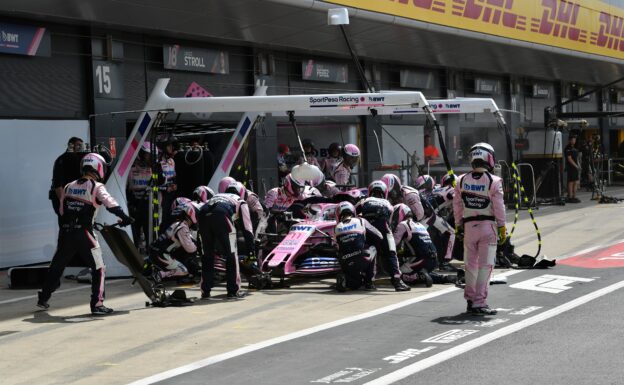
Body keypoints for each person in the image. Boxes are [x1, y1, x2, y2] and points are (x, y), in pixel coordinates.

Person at [37, 153, 134, 315]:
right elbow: (110, 203)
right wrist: (124, 217)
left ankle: (43, 298)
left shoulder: (68, 186)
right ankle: (97, 305)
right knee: (99, 268)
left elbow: (61, 211)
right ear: (99, 167)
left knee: (57, 266)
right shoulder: (96, 186)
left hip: (66, 232)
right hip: (84, 233)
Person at [453, 142, 506, 315]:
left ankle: (470, 299)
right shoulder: (495, 181)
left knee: (470, 265)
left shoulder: (460, 180)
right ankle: (479, 302)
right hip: (488, 228)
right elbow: (499, 207)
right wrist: (502, 226)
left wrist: (458, 225)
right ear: (489, 158)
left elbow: (457, 206)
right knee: (486, 266)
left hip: (468, 227)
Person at [198, 191, 255, 299]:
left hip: (203, 213)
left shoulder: (216, 196)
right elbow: (248, 228)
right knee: (232, 254)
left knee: (207, 255)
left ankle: (205, 291)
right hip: (222, 214)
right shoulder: (241, 201)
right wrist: (252, 251)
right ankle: (233, 290)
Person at [356, 181, 411, 291]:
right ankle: (397, 282)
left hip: (367, 228)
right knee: (391, 253)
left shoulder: (364, 201)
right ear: (384, 192)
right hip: (383, 226)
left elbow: (355, 213)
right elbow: (389, 220)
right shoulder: (387, 203)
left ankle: (369, 282)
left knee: (371, 252)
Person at [334, 201, 383, 292]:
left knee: (355, 285)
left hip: (346, 261)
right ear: (353, 211)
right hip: (362, 256)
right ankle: (369, 282)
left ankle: (346, 279)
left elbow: (336, 246)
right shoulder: (361, 221)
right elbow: (379, 236)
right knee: (373, 248)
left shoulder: (337, 227)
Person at [148, 203, 200, 280]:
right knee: (183, 271)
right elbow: (190, 249)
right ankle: (159, 275)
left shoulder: (178, 224)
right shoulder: (182, 227)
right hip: (160, 254)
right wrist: (198, 246)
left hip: (157, 252)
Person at [49, 137, 85, 225]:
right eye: (78, 145)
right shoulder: (62, 160)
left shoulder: (79, 159)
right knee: (66, 226)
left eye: (82, 146)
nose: (81, 148)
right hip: (64, 200)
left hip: (74, 200)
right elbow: (58, 185)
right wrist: (63, 204)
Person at [127, 142, 154, 252]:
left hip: (149, 204)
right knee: (135, 229)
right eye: (148, 155)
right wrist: (131, 201)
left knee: (149, 230)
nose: (149, 158)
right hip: (135, 204)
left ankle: (150, 252)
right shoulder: (131, 167)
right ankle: (135, 252)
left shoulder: (153, 169)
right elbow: (126, 187)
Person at [157, 137, 178, 231]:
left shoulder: (172, 161)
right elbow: (154, 185)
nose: (171, 147)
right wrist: (165, 189)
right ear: (163, 147)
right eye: (169, 146)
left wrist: (174, 184)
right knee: (160, 219)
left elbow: (173, 177)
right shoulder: (157, 162)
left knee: (170, 217)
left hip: (171, 194)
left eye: (171, 145)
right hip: (160, 195)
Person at [564, 135, 581, 203]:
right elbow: (569, 159)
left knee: (576, 181)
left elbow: (576, 158)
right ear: (570, 140)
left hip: (575, 167)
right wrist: (576, 166)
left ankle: (574, 196)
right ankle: (570, 196)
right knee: (571, 182)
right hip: (570, 167)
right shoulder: (567, 148)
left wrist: (578, 165)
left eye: (575, 140)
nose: (574, 141)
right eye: (573, 139)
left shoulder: (574, 147)